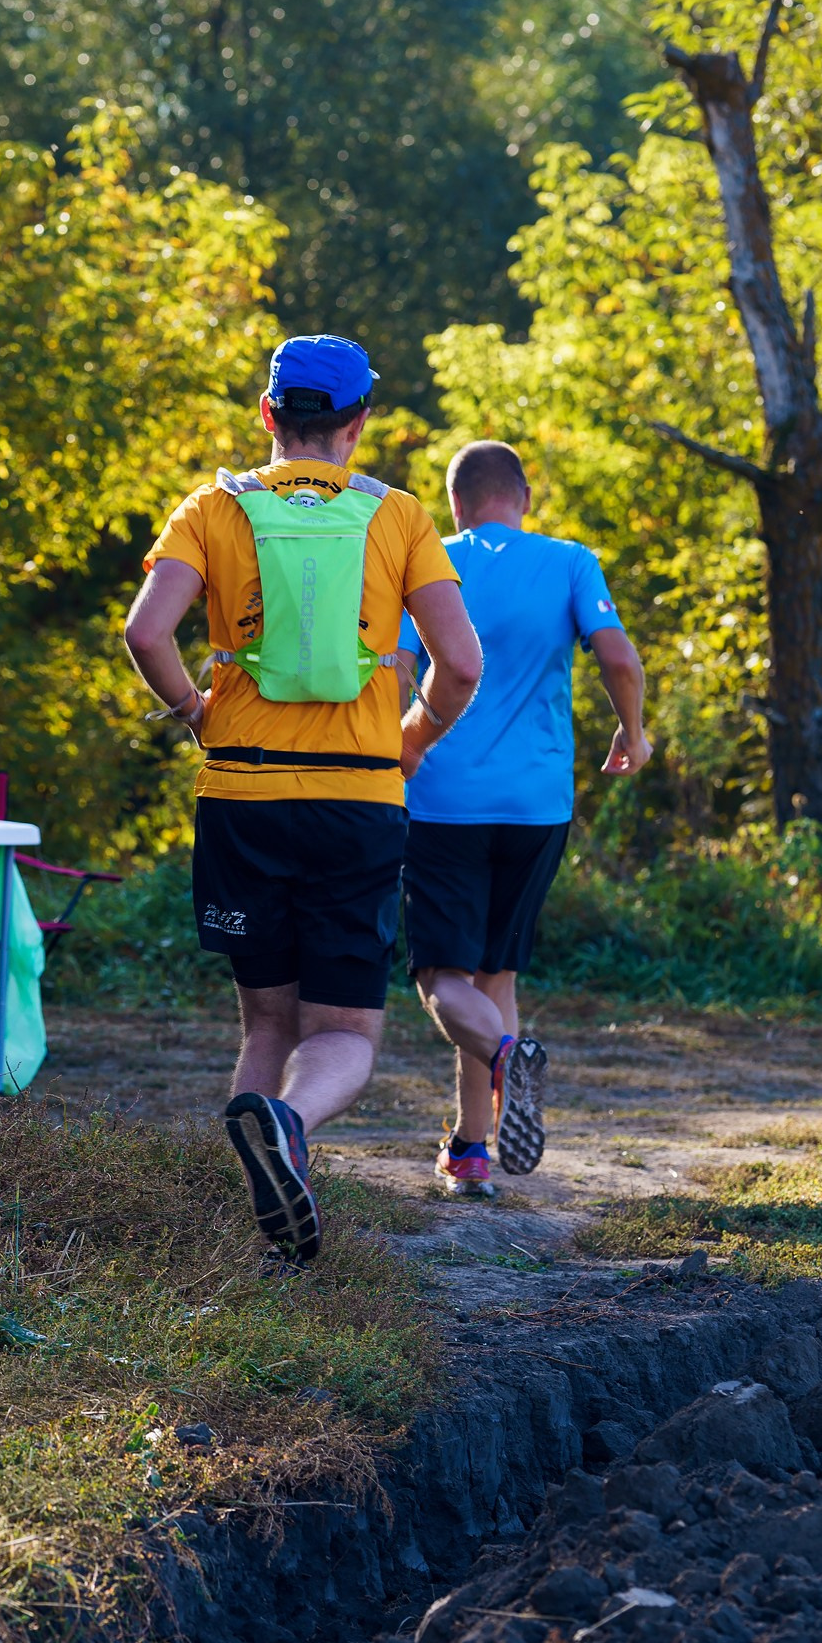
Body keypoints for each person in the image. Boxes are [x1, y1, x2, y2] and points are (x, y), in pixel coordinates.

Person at [123, 336, 483, 1262]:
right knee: (346, 1031)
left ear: (268, 416)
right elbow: (461, 664)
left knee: (267, 1022)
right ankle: (289, 1124)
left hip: (241, 795)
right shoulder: (398, 515)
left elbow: (146, 632)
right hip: (357, 801)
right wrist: (413, 737)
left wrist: (194, 713)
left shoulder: (213, 508)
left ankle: (249, 1215)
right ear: (358, 424)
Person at [399, 440, 650, 1199]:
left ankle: (507, 1060)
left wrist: (395, 751)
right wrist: (633, 733)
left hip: (442, 800)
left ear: (455, 504)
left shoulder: (429, 562)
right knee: (495, 974)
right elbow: (620, 660)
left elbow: (399, 671)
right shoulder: (571, 561)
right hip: (538, 806)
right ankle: (471, 1149)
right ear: (524, 498)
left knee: (442, 977)